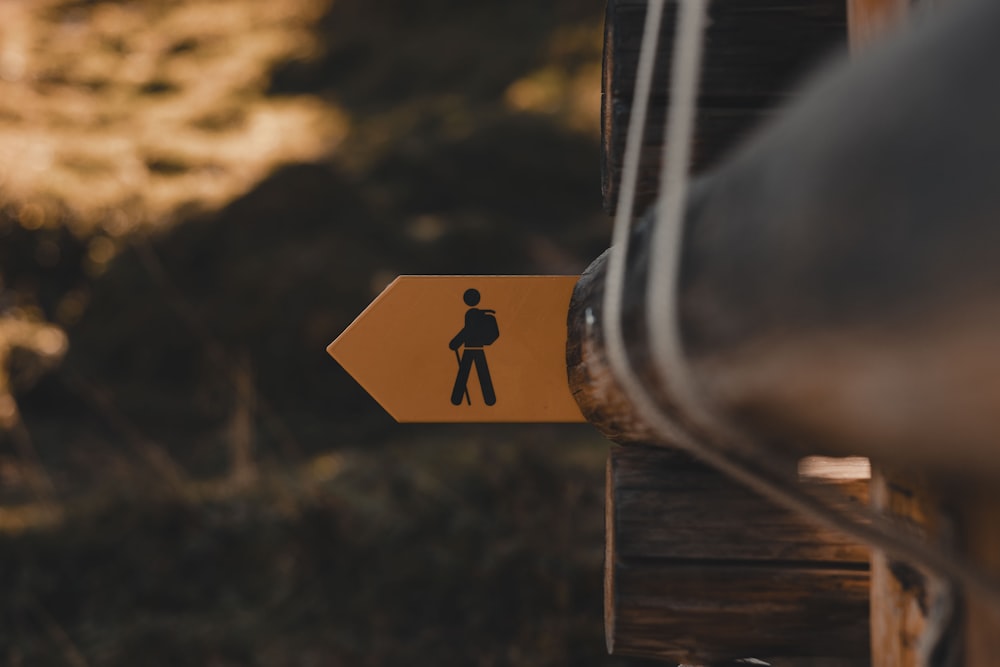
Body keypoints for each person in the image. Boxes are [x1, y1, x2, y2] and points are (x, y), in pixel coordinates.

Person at [449, 288, 498, 406]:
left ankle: (457, 399)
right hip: (478, 349)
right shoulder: (479, 314)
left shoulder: (472, 315)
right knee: (480, 373)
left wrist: (455, 343)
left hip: (469, 349)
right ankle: (489, 400)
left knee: (465, 373)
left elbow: (467, 331)